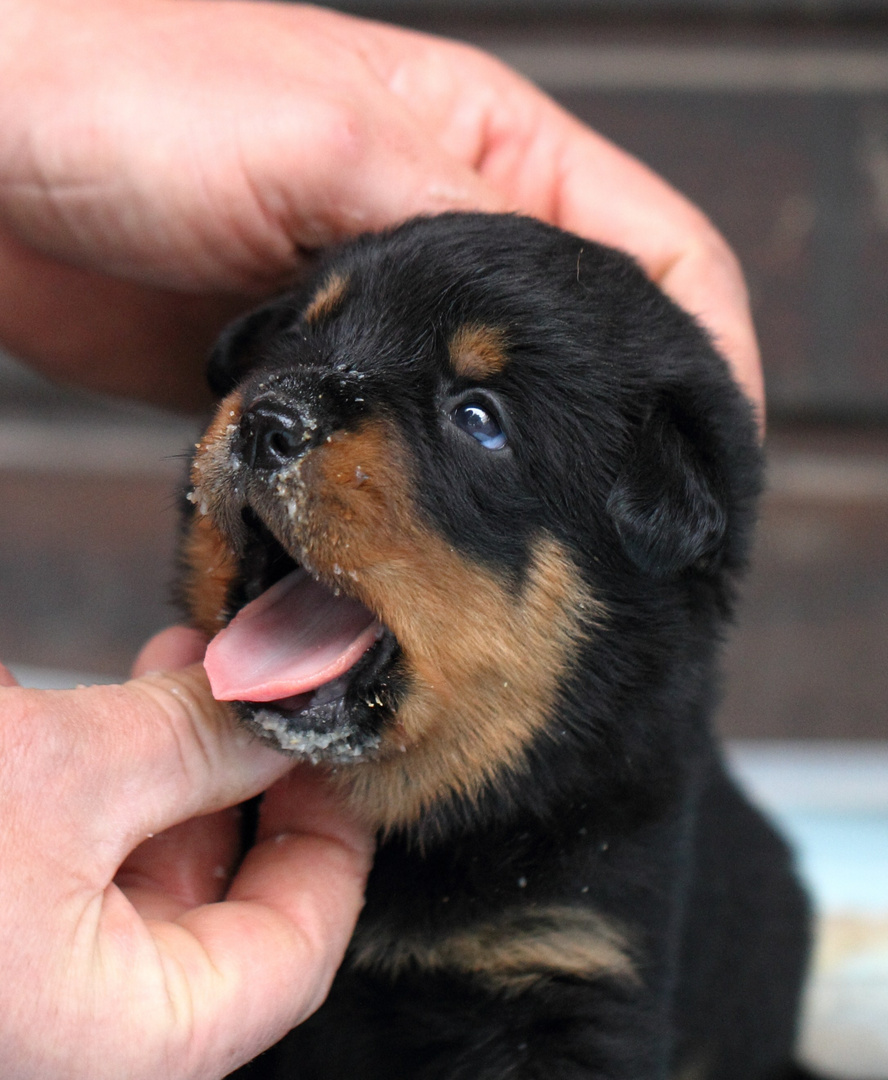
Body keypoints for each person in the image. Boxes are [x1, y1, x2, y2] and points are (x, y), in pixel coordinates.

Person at [0, 2, 765, 1077]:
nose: (285, 404)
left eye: (477, 417)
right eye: (308, 336)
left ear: (662, 524)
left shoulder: (600, 875)